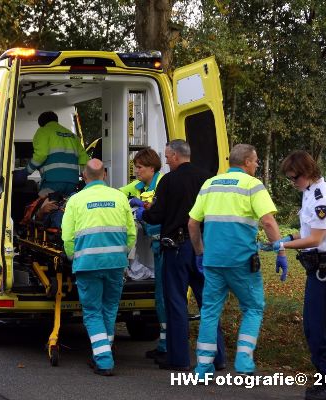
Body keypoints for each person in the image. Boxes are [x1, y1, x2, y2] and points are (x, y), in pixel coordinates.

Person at [188, 143, 287, 378]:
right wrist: (281, 252)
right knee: (253, 307)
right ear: (246, 162)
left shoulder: (210, 184)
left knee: (210, 311)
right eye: (255, 161)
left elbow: (192, 223)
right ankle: (243, 362)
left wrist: (200, 252)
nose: (257, 165)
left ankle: (202, 369)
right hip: (242, 261)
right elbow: (269, 222)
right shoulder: (253, 185)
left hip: (213, 261)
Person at [269, 151, 326, 400]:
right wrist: (290, 237)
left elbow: (315, 239)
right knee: (313, 326)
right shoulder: (309, 193)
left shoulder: (321, 197)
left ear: (307, 173)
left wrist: (282, 246)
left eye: (294, 178)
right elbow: (308, 231)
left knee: (321, 328)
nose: (292, 182)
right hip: (320, 268)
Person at [141, 140, 225, 371]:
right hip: (203, 249)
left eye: (167, 156)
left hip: (176, 249)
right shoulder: (208, 179)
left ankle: (178, 359)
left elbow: (156, 216)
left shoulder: (169, 180)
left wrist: (142, 212)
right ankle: (217, 357)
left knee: (176, 303)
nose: (166, 161)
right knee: (208, 302)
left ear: (176, 156)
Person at [61, 158, 136, 376]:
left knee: (93, 312)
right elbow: (131, 233)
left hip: (87, 264)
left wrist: (74, 257)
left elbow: (67, 238)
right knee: (110, 309)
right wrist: (121, 255)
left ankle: (104, 361)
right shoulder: (120, 197)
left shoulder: (76, 201)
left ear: (84, 177)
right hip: (115, 264)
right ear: (105, 175)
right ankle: (101, 354)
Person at [119, 147, 166, 358]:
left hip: (163, 244)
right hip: (150, 244)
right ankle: (164, 345)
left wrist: (146, 208)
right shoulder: (137, 186)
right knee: (160, 295)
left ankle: (166, 345)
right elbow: (116, 194)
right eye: (135, 167)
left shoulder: (163, 183)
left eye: (139, 167)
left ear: (151, 167)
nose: (136, 171)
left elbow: (163, 209)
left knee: (164, 296)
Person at [17, 111, 89, 196]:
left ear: (41, 124)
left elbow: (41, 155)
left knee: (47, 206)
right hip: (72, 182)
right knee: (66, 207)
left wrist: (26, 171)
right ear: (56, 120)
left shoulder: (43, 131)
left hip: (53, 181)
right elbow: (84, 159)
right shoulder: (72, 135)